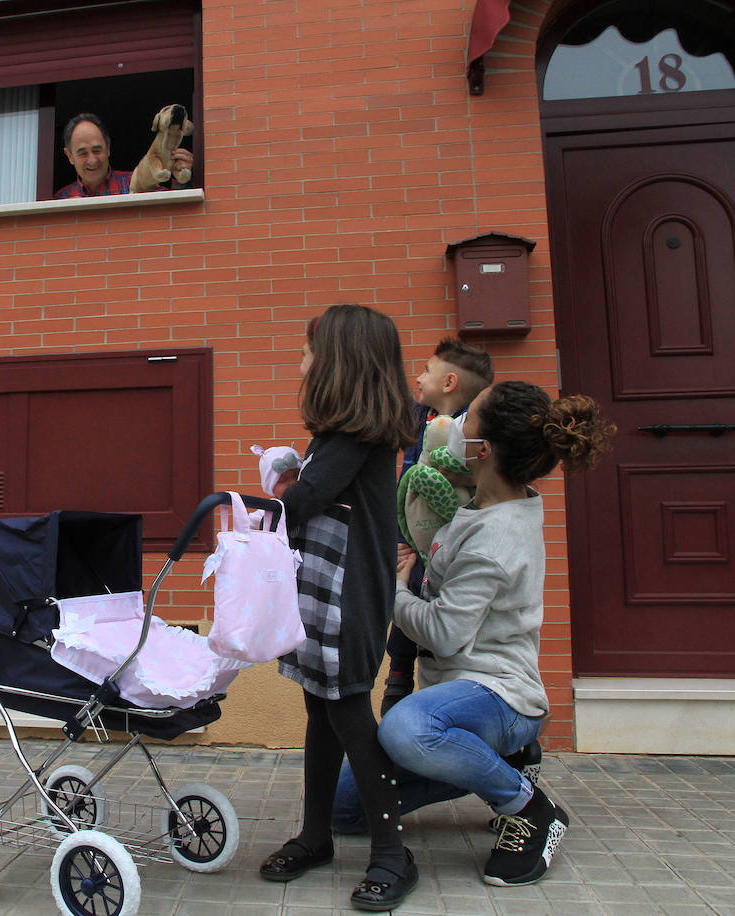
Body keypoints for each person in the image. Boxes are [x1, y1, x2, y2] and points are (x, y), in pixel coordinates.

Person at [341, 381, 615, 888]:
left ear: (483, 449)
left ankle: (530, 809)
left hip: (498, 695)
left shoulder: (495, 537)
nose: (455, 426)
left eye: (467, 419)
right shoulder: (479, 502)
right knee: (347, 810)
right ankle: (507, 762)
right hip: (455, 698)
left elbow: (444, 633)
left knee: (407, 729)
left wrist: (392, 592)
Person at [257, 305, 419, 913]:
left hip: (347, 598)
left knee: (349, 712)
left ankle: (391, 855)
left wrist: (272, 495)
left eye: (309, 352)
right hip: (325, 591)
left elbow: (308, 497)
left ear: (339, 366)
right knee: (321, 713)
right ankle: (316, 836)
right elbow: (316, 489)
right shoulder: (342, 436)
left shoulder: (354, 435)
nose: (302, 363)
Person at [383, 338, 494, 713]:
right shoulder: (420, 417)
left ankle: (434, 667)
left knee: (434, 597)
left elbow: (474, 475)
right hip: (409, 533)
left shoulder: (469, 426)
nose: (418, 377)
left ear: (449, 383)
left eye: (426, 371)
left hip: (447, 536)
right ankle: (398, 674)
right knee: (405, 596)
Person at [54, 112, 194, 199]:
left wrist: (182, 177)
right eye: (83, 153)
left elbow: (172, 210)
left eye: (97, 150)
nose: (92, 160)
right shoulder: (61, 199)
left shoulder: (134, 184)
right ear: (70, 156)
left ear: (108, 148)